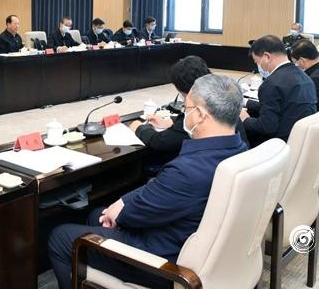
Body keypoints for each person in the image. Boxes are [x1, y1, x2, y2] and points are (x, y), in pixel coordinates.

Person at [48, 74, 248, 289]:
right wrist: (122, 203)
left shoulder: (188, 170)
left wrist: (121, 210)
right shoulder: (240, 150)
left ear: (200, 114)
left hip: (165, 261)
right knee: (97, 215)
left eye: (186, 107)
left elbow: (134, 215)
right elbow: (160, 193)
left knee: (60, 237)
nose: (184, 113)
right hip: (197, 244)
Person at [128, 56, 248, 168]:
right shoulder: (228, 104)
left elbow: (159, 142)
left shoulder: (196, 119)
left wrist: (139, 128)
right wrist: (171, 122)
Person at [241, 35, 317, 147]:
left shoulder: (271, 84)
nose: (258, 66)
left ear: (267, 57)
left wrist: (245, 119)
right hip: (300, 140)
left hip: (279, 145)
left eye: (257, 62)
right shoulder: (305, 77)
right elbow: (283, 106)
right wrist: (247, 102)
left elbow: (267, 126)